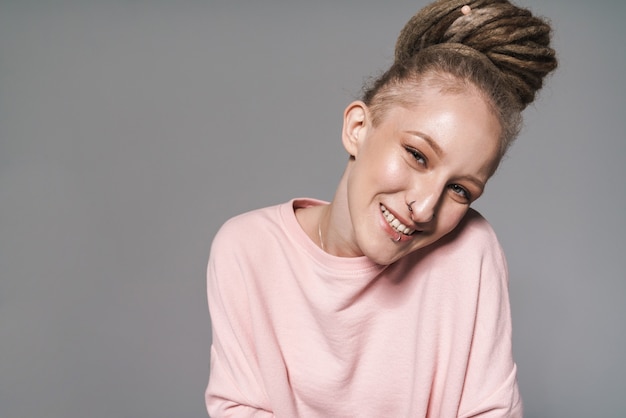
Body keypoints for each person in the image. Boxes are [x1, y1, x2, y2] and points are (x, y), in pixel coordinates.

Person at [205, 0, 557, 416]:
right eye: (417, 155)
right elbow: (240, 406)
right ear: (357, 128)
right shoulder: (247, 249)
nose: (424, 208)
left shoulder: (469, 252)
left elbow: (491, 410)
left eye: (460, 189)